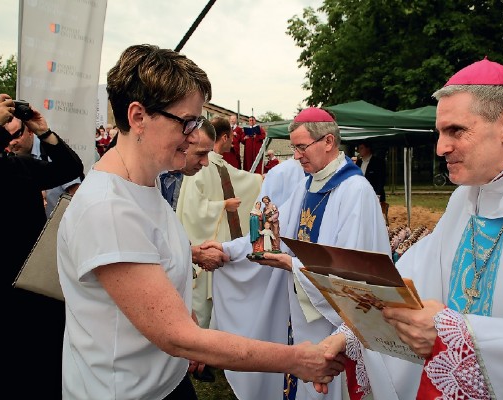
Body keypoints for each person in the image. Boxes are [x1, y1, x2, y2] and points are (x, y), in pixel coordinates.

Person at [57, 44, 344, 400]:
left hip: (164, 382)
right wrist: (297, 359)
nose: (196, 135)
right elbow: (176, 336)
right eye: (187, 122)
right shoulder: (108, 209)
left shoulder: (144, 186)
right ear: (138, 117)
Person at [322, 58, 503, 399]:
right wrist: (356, 330)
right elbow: (414, 281)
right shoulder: (465, 198)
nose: (441, 147)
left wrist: (459, 336)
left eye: (456, 130)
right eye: (440, 132)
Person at [223, 107, 391, 400]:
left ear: (328, 142)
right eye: (294, 148)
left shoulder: (355, 191)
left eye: (301, 147)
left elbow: (352, 274)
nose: (296, 155)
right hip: (302, 312)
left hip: (338, 324)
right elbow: (272, 231)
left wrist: (292, 264)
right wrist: (227, 251)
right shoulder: (308, 184)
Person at [0, 94, 84, 398]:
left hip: (33, 290)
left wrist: (43, 132)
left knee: (42, 370)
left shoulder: (18, 167)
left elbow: (70, 168)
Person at [212, 157, 306, 400]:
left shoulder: (287, 174)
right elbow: (266, 230)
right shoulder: (292, 175)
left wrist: (227, 249)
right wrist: (227, 249)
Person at [176, 116, 262, 330]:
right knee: (199, 304)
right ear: (224, 137)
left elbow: (241, 179)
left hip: (217, 243)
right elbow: (193, 208)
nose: (233, 143)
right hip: (202, 244)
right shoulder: (197, 167)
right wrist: (223, 205)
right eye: (231, 138)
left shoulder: (216, 163)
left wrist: (262, 180)